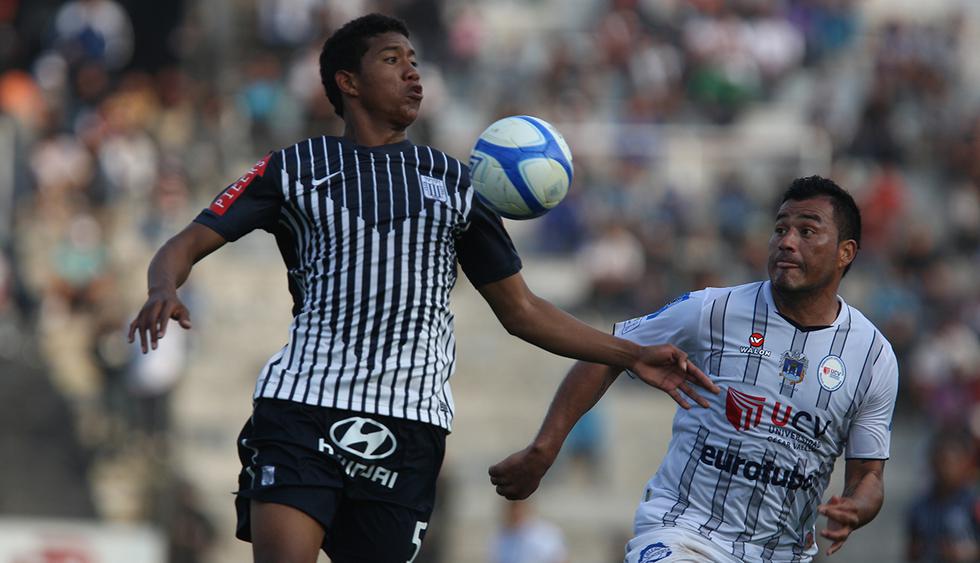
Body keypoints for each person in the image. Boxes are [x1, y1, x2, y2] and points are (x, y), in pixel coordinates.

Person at [127, 13, 718, 563]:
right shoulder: (294, 168)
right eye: (391, 59)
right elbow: (184, 242)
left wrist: (631, 354)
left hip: (408, 424)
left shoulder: (458, 184)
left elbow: (522, 310)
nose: (413, 71)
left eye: (414, 59)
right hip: (302, 407)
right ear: (348, 82)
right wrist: (162, 286)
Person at [489, 176, 899, 562]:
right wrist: (545, 447)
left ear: (846, 252)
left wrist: (857, 508)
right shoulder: (712, 311)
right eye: (780, 229)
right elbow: (606, 354)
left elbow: (868, 475)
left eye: (806, 232)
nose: (787, 242)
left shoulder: (872, 357)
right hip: (683, 531)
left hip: (782, 551)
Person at [906, 431, 980, 562]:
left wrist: (968, 552)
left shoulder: (974, 505)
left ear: (964, 464)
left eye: (950, 463)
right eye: (940, 462)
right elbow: (911, 551)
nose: (944, 469)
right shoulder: (919, 507)